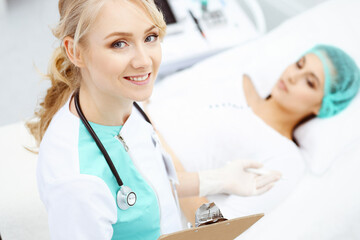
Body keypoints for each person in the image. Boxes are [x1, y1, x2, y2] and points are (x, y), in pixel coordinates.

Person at [26, 0, 280, 239]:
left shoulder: (124, 105)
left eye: (150, 37)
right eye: (119, 44)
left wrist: (218, 179)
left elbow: (149, 182)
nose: (144, 61)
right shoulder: (77, 182)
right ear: (75, 52)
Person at [146, 44, 360, 223]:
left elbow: (214, 229)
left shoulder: (285, 159)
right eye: (299, 64)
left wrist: (155, 140)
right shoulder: (240, 80)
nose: (293, 76)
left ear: (322, 107)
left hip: (141, 173)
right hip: (123, 120)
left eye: (310, 82)